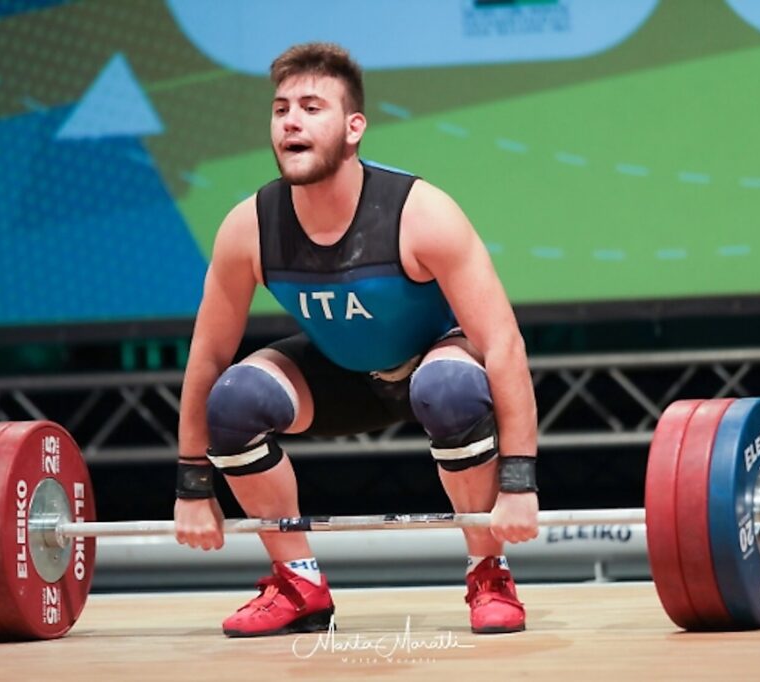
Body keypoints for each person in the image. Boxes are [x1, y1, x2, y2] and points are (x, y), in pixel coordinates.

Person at [173, 42, 539, 637]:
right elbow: (208, 355)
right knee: (233, 400)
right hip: (340, 376)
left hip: (434, 363)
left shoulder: (420, 213)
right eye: (281, 109)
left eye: (311, 107)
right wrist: (192, 483)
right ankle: (299, 583)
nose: (290, 121)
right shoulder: (249, 227)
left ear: (353, 128)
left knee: (448, 385)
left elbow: (503, 346)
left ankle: (488, 570)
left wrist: (519, 482)